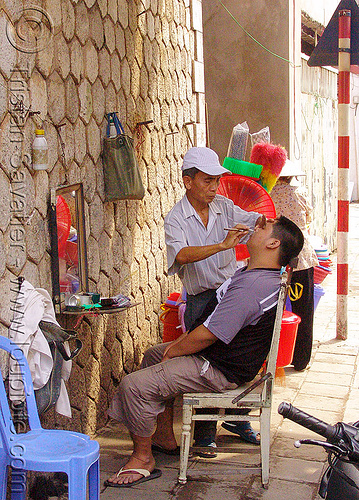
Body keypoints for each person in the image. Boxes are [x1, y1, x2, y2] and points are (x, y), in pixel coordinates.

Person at [105, 216, 304, 488]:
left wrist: (176, 350)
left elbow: (211, 333)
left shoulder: (254, 286)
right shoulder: (254, 274)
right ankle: (163, 438)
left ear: (273, 243)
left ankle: (142, 460)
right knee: (153, 355)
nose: (256, 227)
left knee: (134, 386)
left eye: (263, 227)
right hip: (219, 356)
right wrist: (174, 349)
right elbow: (212, 324)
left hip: (220, 368)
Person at [164, 146, 262, 453]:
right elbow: (180, 255)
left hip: (230, 295)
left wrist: (268, 225)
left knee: (240, 356)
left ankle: (237, 416)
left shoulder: (225, 206)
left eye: (216, 180)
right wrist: (221, 245)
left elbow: (254, 221)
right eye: (207, 180)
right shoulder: (176, 218)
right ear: (187, 181)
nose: (213, 187)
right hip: (200, 302)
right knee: (204, 365)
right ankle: (203, 433)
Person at [270, 159, 319, 371]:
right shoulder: (299, 192)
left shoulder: (268, 194)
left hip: (276, 256)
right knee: (303, 310)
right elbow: (309, 217)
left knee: (272, 310)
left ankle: (273, 357)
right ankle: (301, 360)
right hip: (301, 258)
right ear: (290, 176)